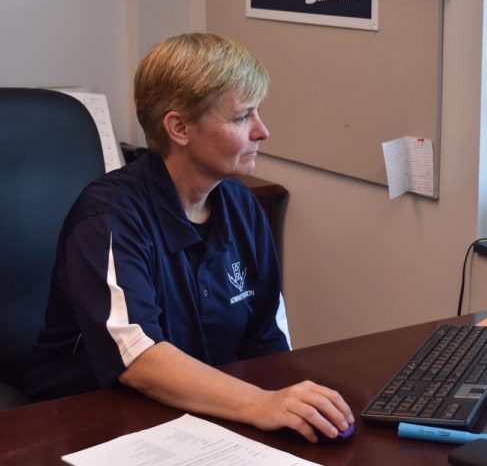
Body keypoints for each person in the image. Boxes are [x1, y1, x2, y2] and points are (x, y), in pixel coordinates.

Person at [25, 32, 354, 442]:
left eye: (258, 113)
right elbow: (138, 357)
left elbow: (266, 334)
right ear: (179, 128)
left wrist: (291, 405)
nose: (262, 131)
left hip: (195, 421)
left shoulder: (242, 206)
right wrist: (258, 404)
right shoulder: (109, 217)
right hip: (91, 424)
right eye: (241, 117)